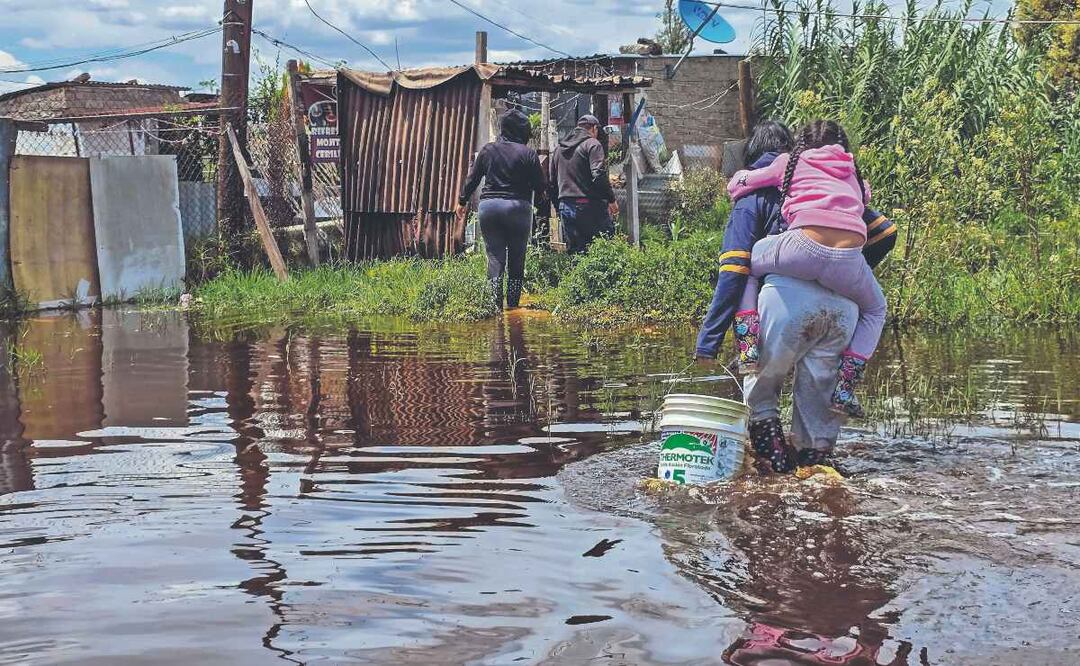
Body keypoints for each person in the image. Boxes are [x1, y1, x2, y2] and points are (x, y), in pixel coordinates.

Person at [695, 121, 897, 472]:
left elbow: (734, 269)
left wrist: (709, 340)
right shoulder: (838, 179)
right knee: (816, 418)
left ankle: (773, 469)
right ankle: (814, 469)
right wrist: (845, 270)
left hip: (784, 298)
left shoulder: (760, 191)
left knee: (763, 389)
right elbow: (885, 231)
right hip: (844, 306)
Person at [727, 120, 885, 419]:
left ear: (801, 144)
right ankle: (845, 389)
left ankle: (748, 349)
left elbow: (740, 185)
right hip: (848, 260)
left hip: (802, 247)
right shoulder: (853, 171)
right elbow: (865, 198)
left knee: (743, 265)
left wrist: (739, 180)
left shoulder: (790, 162)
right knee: (876, 309)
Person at [456, 109, 547, 309]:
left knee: (495, 259)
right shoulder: (528, 153)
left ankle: (494, 306)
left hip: (490, 208)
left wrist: (461, 202)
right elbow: (541, 186)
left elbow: (472, 179)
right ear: (523, 132)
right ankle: (513, 306)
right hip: (518, 209)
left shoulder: (488, 150)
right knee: (516, 260)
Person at [548, 114, 619, 254]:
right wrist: (611, 200)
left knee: (575, 252)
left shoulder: (558, 150)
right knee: (602, 249)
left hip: (566, 206)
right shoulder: (592, 144)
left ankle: (576, 275)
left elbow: (551, 183)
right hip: (590, 206)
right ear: (593, 129)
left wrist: (558, 206)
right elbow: (598, 174)